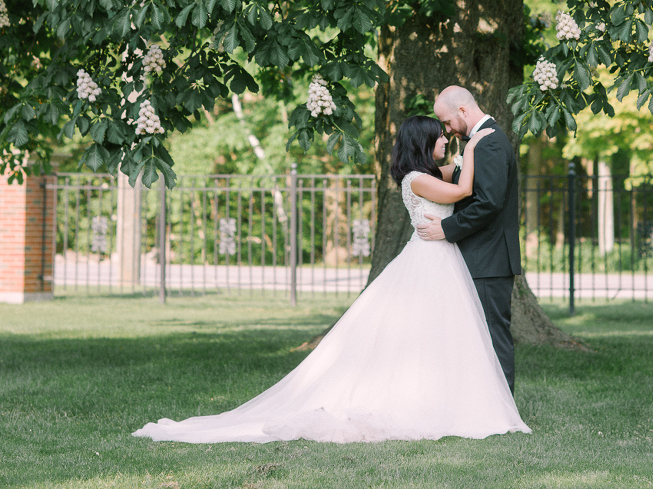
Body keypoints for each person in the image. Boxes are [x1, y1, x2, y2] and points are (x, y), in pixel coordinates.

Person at [133, 114, 530, 444]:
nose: (447, 140)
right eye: (441, 137)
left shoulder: (427, 172)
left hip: (443, 260)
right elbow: (463, 188)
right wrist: (475, 147)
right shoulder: (417, 179)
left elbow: (461, 175)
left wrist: (469, 153)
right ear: (425, 142)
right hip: (430, 259)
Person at [417, 86, 521, 397]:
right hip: (480, 256)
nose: (446, 130)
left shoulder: (488, 143)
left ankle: (503, 408)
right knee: (475, 335)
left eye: (447, 122)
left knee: (492, 335)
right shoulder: (478, 141)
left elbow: (488, 204)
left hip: (488, 258)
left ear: (463, 112)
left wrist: (446, 229)